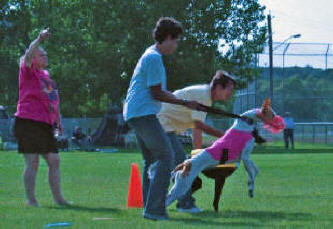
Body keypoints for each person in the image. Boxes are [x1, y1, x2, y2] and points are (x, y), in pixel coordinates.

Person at [123, 17, 203, 221]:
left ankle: (149, 206)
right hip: (143, 113)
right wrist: (185, 102)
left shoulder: (149, 54)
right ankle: (155, 209)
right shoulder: (154, 58)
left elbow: (158, 92)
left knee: (151, 159)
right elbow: (157, 93)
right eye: (175, 41)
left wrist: (183, 101)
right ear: (167, 38)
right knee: (165, 156)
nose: (176, 46)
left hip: (136, 112)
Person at [166, 99, 286, 206]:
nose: (273, 119)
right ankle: (159, 207)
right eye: (272, 116)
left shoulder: (241, 126)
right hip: (202, 160)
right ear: (262, 114)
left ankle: (161, 201)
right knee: (177, 193)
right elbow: (245, 158)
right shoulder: (246, 135)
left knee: (176, 191)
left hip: (207, 157)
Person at [157, 70, 235, 213]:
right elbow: (198, 127)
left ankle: (155, 200)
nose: (231, 93)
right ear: (218, 87)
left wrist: (196, 156)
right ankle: (184, 204)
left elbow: (196, 126)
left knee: (163, 165)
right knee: (180, 160)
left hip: (163, 124)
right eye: (229, 89)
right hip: (162, 123)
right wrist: (222, 137)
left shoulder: (205, 96)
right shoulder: (203, 96)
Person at [13, 28, 69, 207]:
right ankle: (31, 200)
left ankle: (59, 199)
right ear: (33, 58)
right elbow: (28, 54)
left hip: (46, 123)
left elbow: (53, 102)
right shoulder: (27, 71)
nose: (45, 56)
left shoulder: (47, 77)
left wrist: (58, 123)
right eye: (41, 54)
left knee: (55, 160)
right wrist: (39, 39)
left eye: (45, 54)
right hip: (28, 120)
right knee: (33, 161)